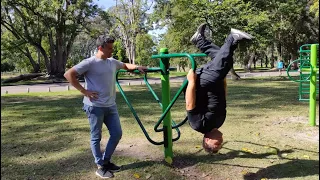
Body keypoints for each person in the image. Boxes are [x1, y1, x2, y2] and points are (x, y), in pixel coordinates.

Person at [64, 35, 147, 179]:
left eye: (112, 48)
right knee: (96, 136)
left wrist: (137, 67)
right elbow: (69, 74)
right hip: (94, 106)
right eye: (109, 49)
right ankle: (100, 166)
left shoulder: (112, 62)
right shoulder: (89, 62)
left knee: (117, 134)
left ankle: (106, 161)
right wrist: (84, 91)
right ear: (100, 48)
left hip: (111, 105)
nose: (112, 51)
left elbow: (126, 65)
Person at [185, 23, 253, 154]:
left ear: (207, 140)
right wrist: (224, 81)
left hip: (202, 83)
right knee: (223, 59)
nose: (221, 142)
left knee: (224, 62)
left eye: (217, 144)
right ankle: (199, 40)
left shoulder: (198, 125)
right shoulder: (219, 122)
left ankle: (233, 37)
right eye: (220, 145)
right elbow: (222, 100)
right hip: (215, 82)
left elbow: (190, 104)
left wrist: (191, 81)